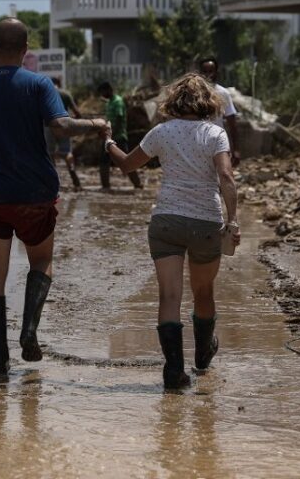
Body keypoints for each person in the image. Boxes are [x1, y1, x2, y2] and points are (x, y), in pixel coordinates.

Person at [0, 18, 109, 381]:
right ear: (26, 50)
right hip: (35, 196)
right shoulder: (40, 84)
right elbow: (60, 126)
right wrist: (96, 124)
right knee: (41, 262)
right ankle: (29, 330)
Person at [103, 73, 241, 390]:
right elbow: (226, 178)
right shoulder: (216, 134)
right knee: (203, 292)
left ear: (173, 101)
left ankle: (174, 372)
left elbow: (126, 165)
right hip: (206, 221)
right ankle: (203, 355)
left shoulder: (161, 132)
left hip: (166, 221)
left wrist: (109, 141)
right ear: (209, 103)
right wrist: (232, 221)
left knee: (169, 296)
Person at [97, 81, 142, 190]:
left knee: (127, 161)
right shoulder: (109, 103)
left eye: (103, 92)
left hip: (119, 137)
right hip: (109, 137)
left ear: (108, 90)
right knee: (103, 161)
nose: (102, 95)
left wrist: (110, 135)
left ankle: (138, 185)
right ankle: (105, 187)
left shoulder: (118, 101)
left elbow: (118, 118)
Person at [198, 57, 241, 167]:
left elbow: (232, 122)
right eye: (205, 71)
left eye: (211, 71)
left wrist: (236, 149)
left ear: (216, 73)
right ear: (200, 73)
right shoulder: (194, 93)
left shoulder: (223, 93)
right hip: (197, 142)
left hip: (217, 141)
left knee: (221, 175)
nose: (208, 74)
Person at [44, 77, 83, 189]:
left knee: (50, 153)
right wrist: (75, 120)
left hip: (49, 125)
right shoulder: (66, 94)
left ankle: (53, 181)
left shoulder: (44, 94)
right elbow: (77, 113)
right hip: (64, 124)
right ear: (59, 83)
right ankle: (72, 172)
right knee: (67, 152)